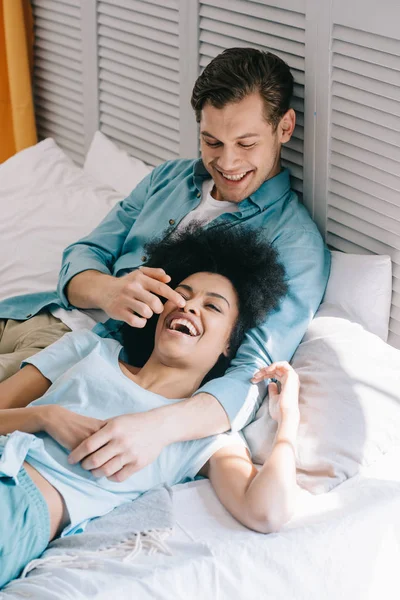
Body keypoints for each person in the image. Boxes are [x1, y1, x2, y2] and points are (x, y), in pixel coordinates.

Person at [0, 48, 330, 482]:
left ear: (284, 127)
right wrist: (108, 291)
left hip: (83, 360)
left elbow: (251, 375)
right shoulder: (169, 178)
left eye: (246, 144)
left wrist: (158, 428)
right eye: (212, 142)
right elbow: (81, 256)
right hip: (30, 312)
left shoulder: (295, 243)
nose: (227, 163)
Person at [0, 224, 300, 589]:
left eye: (212, 307)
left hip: (18, 504)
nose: (189, 305)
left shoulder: (204, 436)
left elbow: (266, 512)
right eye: (182, 295)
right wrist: (44, 416)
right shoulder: (88, 349)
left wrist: (289, 421)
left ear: (229, 344)